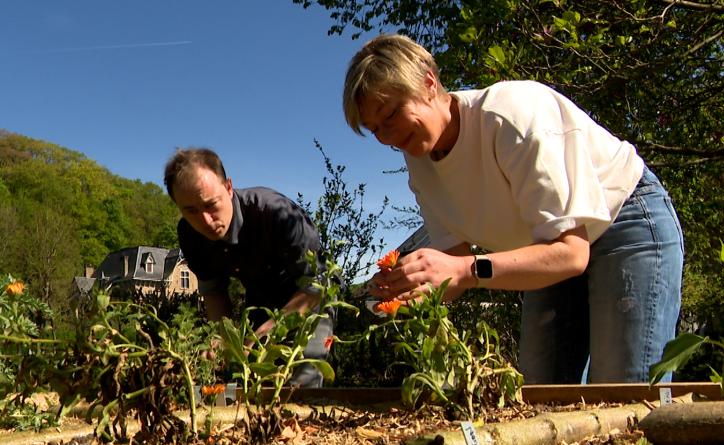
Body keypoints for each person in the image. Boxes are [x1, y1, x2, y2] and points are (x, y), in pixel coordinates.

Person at [345, 34, 684, 384]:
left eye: (391, 116)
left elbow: (570, 254)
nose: (387, 137)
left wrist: (464, 269)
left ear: (428, 83)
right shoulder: (420, 160)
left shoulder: (509, 117)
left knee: (623, 390)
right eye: (374, 130)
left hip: (622, 222)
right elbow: (453, 265)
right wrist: (410, 292)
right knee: (539, 386)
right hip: (544, 248)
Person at [163, 147, 332, 387]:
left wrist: (272, 329)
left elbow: (317, 285)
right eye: (190, 211)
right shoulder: (189, 234)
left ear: (229, 187)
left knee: (301, 383)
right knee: (249, 379)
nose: (205, 221)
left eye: (211, 205)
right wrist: (223, 338)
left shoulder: (276, 212)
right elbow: (213, 292)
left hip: (310, 298)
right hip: (261, 299)